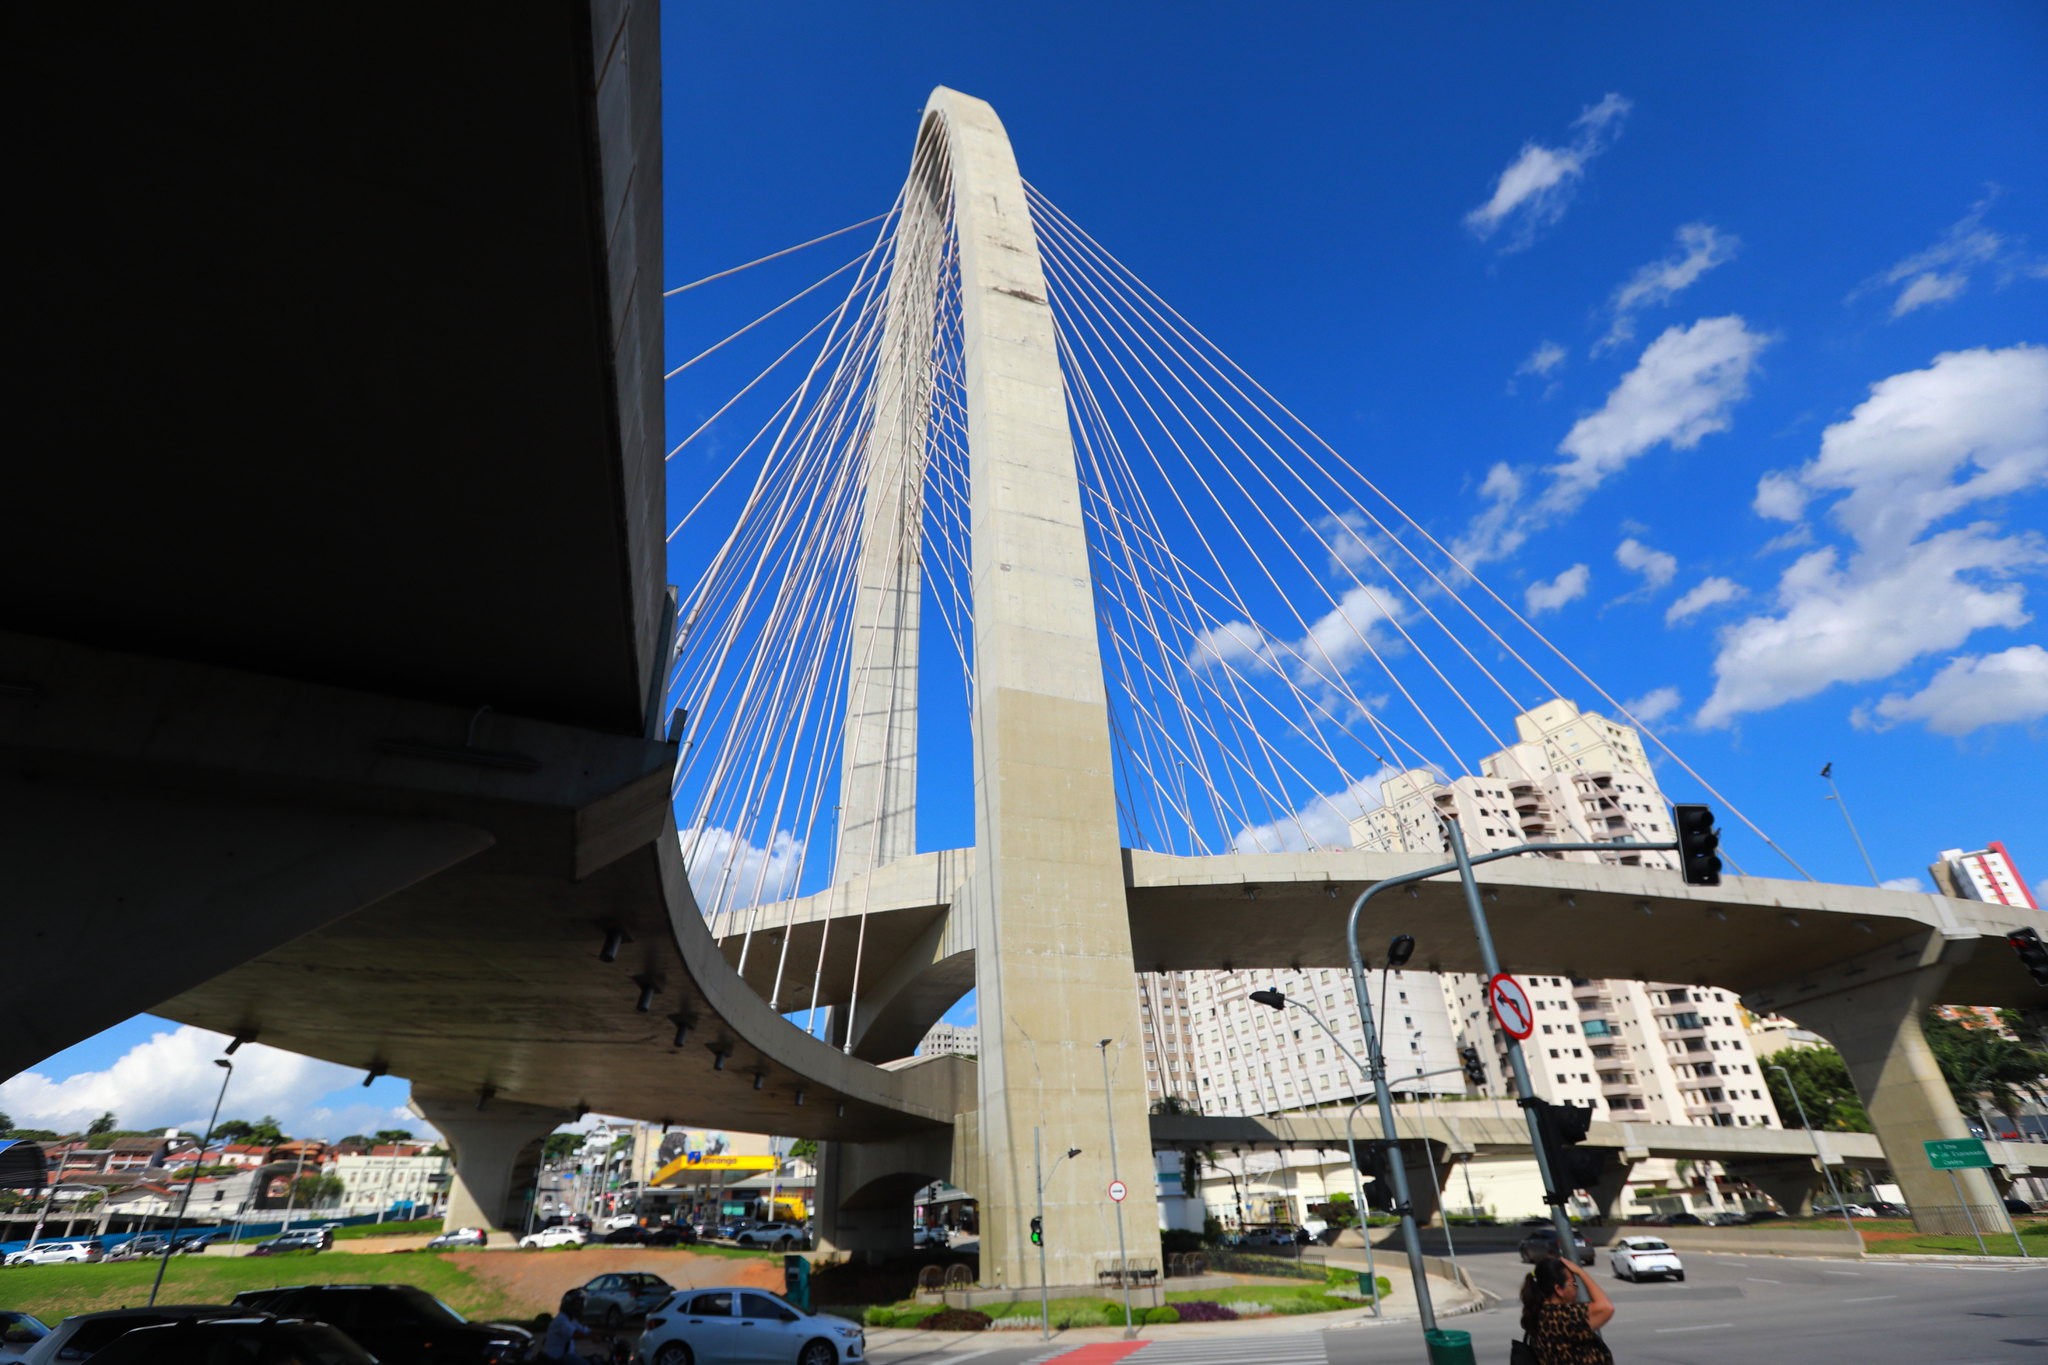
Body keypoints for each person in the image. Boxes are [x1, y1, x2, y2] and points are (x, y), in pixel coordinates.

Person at [1519, 1254, 1614, 1365]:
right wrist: (1581, 1273)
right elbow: (1606, 1307)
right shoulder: (1563, 1316)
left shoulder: (1539, 1313)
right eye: (1573, 1284)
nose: (1575, 1289)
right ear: (1559, 1289)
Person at [541, 1290, 593, 1363]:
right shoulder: (561, 1320)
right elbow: (575, 1334)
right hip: (557, 1360)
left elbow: (586, 1330)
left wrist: (608, 1335)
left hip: (566, 1357)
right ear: (569, 1305)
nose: (580, 1307)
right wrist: (591, 1337)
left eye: (581, 1304)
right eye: (577, 1304)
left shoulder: (570, 1320)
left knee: (594, 1359)